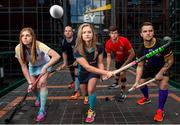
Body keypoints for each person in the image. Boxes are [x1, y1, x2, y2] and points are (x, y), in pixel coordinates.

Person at [15, 27, 60, 122]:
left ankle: (42, 110)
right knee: (33, 87)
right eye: (22, 36)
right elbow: (24, 67)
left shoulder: (39, 45)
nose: (25, 38)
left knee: (42, 83)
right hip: (33, 67)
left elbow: (56, 56)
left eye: (27, 35)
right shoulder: (18, 48)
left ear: (32, 37)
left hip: (45, 64)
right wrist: (29, 83)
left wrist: (45, 67)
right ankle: (39, 98)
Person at [132, 22, 174, 122]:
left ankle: (160, 110)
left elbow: (170, 61)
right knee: (141, 84)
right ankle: (146, 98)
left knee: (163, 85)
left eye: (150, 31)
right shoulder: (140, 49)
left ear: (153, 32)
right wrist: (136, 81)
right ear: (141, 34)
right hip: (148, 67)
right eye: (145, 31)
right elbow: (140, 66)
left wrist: (161, 72)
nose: (148, 33)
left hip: (162, 67)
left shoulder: (162, 44)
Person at [74, 23, 113, 123]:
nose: (87, 34)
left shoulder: (99, 47)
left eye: (89, 32)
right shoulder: (77, 50)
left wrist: (103, 74)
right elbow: (87, 67)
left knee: (91, 89)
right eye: (84, 32)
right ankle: (86, 97)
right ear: (81, 35)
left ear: (93, 34)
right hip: (83, 73)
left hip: (94, 72)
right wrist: (106, 72)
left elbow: (100, 62)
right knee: (84, 93)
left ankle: (91, 111)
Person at [105, 26, 135, 101]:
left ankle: (123, 92)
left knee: (122, 74)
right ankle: (116, 83)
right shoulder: (108, 43)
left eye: (115, 33)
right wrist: (107, 70)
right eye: (112, 33)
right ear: (109, 34)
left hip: (127, 59)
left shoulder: (124, 40)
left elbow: (132, 54)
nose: (114, 35)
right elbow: (108, 56)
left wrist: (124, 65)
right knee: (117, 72)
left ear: (118, 34)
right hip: (118, 59)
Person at [59, 25, 80, 99]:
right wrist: (64, 63)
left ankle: (76, 91)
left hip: (78, 59)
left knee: (76, 73)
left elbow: (81, 51)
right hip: (70, 60)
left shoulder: (76, 40)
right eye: (66, 31)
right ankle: (75, 83)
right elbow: (64, 53)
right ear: (64, 33)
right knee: (72, 74)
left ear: (72, 32)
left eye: (69, 31)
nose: (67, 32)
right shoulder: (63, 42)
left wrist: (77, 60)